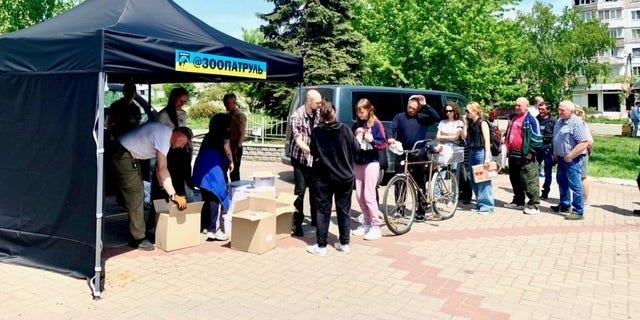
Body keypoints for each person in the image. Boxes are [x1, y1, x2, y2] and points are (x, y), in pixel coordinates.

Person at [111, 122, 190, 250]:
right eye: (184, 143)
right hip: (122, 153)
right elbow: (162, 169)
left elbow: (160, 169)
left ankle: (138, 231)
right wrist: (174, 195)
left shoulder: (165, 135)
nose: (182, 147)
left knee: (138, 192)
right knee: (136, 194)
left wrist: (163, 188)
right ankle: (138, 238)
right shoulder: (164, 136)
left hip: (128, 154)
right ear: (179, 134)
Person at [307, 100, 359, 256]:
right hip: (345, 177)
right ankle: (344, 243)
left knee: (323, 211)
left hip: (324, 177)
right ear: (334, 113)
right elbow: (356, 149)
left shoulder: (316, 131)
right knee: (344, 210)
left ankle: (321, 246)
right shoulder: (344, 129)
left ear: (320, 115)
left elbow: (313, 152)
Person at [387, 95, 440, 221]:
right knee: (400, 180)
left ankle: (421, 210)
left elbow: (436, 117)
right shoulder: (399, 117)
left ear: (418, 109)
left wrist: (425, 105)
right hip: (402, 152)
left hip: (418, 153)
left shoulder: (422, 118)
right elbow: (391, 128)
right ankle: (400, 208)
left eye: (414, 108)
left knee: (420, 182)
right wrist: (390, 137)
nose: (411, 110)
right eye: (409, 107)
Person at [192, 113, 235, 241]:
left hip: (202, 167)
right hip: (214, 168)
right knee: (217, 197)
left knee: (206, 196)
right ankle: (214, 230)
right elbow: (227, 150)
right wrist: (231, 161)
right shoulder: (224, 135)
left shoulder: (208, 135)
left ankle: (205, 227)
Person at [351, 98, 387, 241]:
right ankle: (366, 223)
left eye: (362, 112)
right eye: (358, 112)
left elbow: (383, 145)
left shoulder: (377, 125)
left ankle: (375, 226)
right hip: (358, 162)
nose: (360, 115)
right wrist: (356, 138)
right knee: (359, 195)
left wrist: (371, 140)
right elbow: (352, 144)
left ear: (369, 110)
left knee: (369, 195)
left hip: (371, 162)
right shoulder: (356, 125)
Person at [289, 89, 322, 237]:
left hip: (314, 159)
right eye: (318, 102)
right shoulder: (297, 116)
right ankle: (297, 224)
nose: (320, 105)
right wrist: (311, 151)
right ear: (309, 102)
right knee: (300, 191)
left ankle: (315, 219)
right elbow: (298, 140)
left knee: (315, 190)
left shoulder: (318, 114)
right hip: (300, 158)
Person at [551, 101, 591, 220]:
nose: (559, 112)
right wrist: (556, 153)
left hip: (572, 160)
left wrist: (571, 155)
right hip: (561, 159)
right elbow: (556, 138)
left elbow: (584, 143)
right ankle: (565, 205)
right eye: (559, 109)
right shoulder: (559, 121)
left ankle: (578, 211)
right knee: (562, 182)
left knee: (575, 185)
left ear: (571, 111)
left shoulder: (577, 123)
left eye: (562, 110)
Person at [504, 97, 542, 215]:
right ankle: (518, 202)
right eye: (516, 105)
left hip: (525, 155)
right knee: (515, 179)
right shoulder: (513, 118)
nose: (517, 107)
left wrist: (531, 152)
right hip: (513, 154)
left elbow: (537, 139)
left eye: (519, 105)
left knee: (530, 180)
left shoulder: (531, 120)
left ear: (527, 106)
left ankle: (534, 205)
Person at [461, 102, 495, 213]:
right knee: (474, 179)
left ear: (475, 111)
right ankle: (480, 203)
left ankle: (488, 205)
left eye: (468, 111)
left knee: (483, 179)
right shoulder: (470, 124)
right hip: (472, 151)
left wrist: (487, 157)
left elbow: (487, 141)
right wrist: (465, 124)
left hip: (481, 151)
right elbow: (464, 137)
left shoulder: (483, 123)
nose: (466, 114)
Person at [224, 93, 247, 182]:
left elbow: (242, 132)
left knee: (234, 171)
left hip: (235, 147)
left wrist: (238, 147)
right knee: (227, 169)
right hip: (229, 146)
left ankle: (236, 191)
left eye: (228, 103)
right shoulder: (229, 114)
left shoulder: (239, 115)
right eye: (225, 103)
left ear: (234, 102)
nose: (226, 105)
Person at [574, 106, 594, 210]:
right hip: (574, 154)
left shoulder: (581, 124)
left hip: (582, 154)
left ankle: (585, 201)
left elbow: (589, 142)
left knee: (582, 177)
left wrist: (585, 151)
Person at [536, 101, 556, 199]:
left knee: (548, 172)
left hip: (548, 150)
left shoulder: (553, 121)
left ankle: (545, 192)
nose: (540, 111)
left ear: (548, 110)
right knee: (533, 170)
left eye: (543, 109)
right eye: (539, 109)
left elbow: (556, 137)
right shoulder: (536, 119)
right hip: (537, 150)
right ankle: (534, 191)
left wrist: (554, 152)